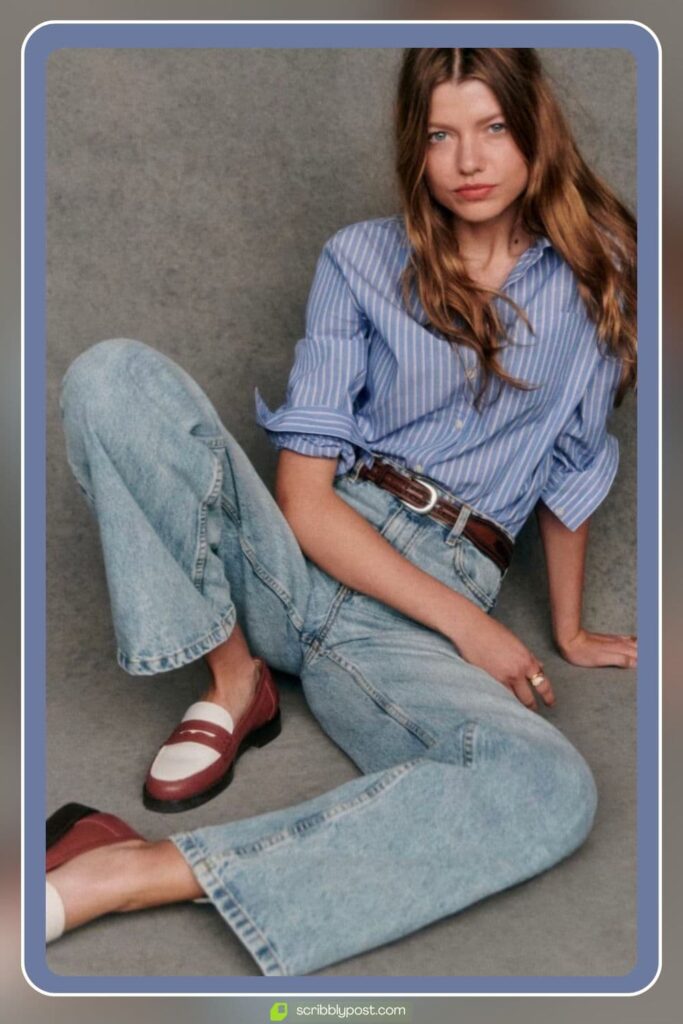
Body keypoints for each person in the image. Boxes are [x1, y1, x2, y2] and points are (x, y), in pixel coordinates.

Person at [46, 48, 637, 977]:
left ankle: (123, 871)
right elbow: (305, 503)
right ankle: (235, 678)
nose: (468, 160)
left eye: (491, 129)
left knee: (547, 786)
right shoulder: (359, 259)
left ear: (535, 131)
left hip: (412, 618)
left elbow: (570, 466)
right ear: (416, 146)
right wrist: (472, 633)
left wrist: (566, 628)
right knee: (110, 375)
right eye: (440, 134)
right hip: (304, 553)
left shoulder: (592, 271)